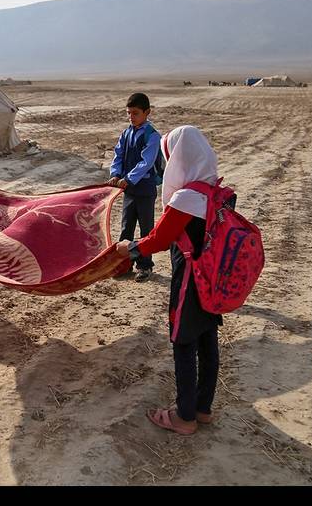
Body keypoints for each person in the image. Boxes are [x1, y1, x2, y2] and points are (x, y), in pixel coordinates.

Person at [115, 125, 222, 436]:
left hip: (190, 279)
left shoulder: (188, 198)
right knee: (207, 339)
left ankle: (184, 417)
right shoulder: (214, 189)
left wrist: (129, 248)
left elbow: (159, 240)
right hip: (210, 278)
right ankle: (203, 409)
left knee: (184, 342)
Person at [106, 93, 161, 282]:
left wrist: (128, 178)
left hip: (145, 189)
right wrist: (115, 174)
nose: (131, 117)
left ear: (147, 112)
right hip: (128, 190)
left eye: (135, 113)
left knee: (146, 230)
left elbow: (147, 162)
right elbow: (118, 155)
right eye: (129, 113)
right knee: (126, 228)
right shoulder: (126, 133)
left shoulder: (152, 136)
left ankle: (145, 266)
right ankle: (124, 264)